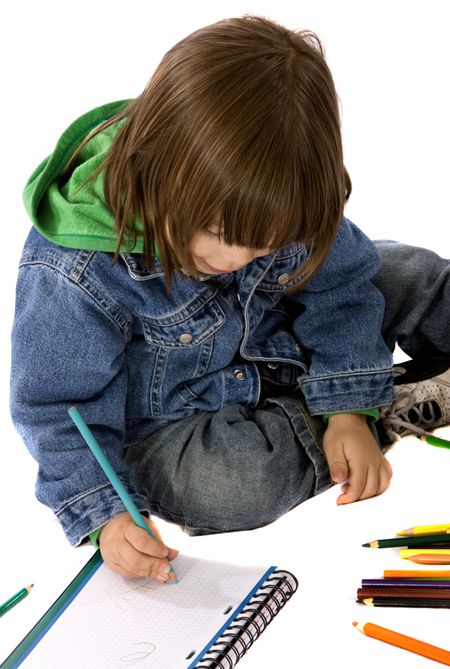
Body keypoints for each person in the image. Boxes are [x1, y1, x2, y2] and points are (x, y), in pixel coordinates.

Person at [10, 16, 449, 581]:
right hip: (177, 424)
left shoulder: (283, 190)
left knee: (405, 273)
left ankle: (351, 399)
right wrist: (108, 515)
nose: (241, 256)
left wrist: (345, 405)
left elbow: (341, 287)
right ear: (161, 172)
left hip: (281, 339)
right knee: (231, 484)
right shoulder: (73, 269)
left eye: (266, 240)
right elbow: (57, 411)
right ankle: (391, 405)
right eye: (221, 234)